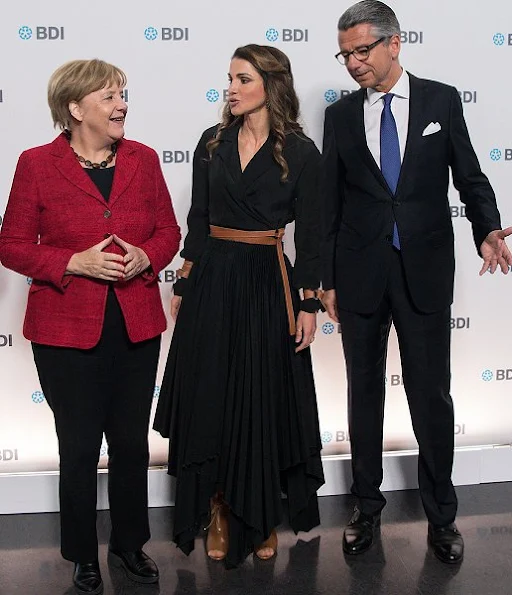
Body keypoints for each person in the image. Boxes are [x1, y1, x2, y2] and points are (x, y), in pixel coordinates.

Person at [321, 1, 512, 564]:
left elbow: (470, 174)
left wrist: (485, 228)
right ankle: (365, 505)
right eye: (345, 53)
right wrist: (325, 279)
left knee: (432, 397)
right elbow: (328, 203)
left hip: (425, 271)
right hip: (359, 275)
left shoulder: (440, 100)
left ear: (394, 43)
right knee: (363, 395)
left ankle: (442, 515)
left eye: (362, 50)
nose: (354, 64)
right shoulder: (339, 116)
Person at [0, 59, 180, 594]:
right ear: (75, 108)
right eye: (109, 96)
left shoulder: (145, 160)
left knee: (130, 443)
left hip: (135, 324)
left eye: (123, 94)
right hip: (65, 331)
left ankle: (130, 544)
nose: (122, 104)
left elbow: (169, 229)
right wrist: (71, 263)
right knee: (78, 446)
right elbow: (10, 245)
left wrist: (148, 257)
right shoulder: (36, 164)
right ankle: (82, 554)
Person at [154, 44, 325, 569]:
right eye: (228, 77)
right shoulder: (212, 142)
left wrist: (309, 301)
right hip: (212, 281)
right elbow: (198, 218)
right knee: (213, 394)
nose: (229, 88)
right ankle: (222, 507)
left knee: (263, 395)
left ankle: (262, 513)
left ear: (269, 85)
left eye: (241, 78)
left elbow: (314, 236)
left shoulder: (300, 151)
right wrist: (184, 281)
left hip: (267, 281)